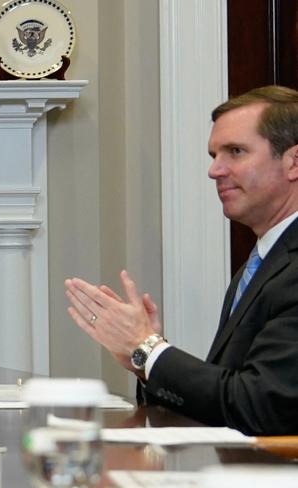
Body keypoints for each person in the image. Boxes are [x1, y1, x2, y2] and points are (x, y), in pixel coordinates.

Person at [65, 85, 298, 436]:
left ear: (294, 162)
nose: (215, 171)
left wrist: (150, 349)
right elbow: (229, 394)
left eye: (235, 151)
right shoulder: (263, 260)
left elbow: (263, 405)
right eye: (213, 155)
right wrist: (144, 360)